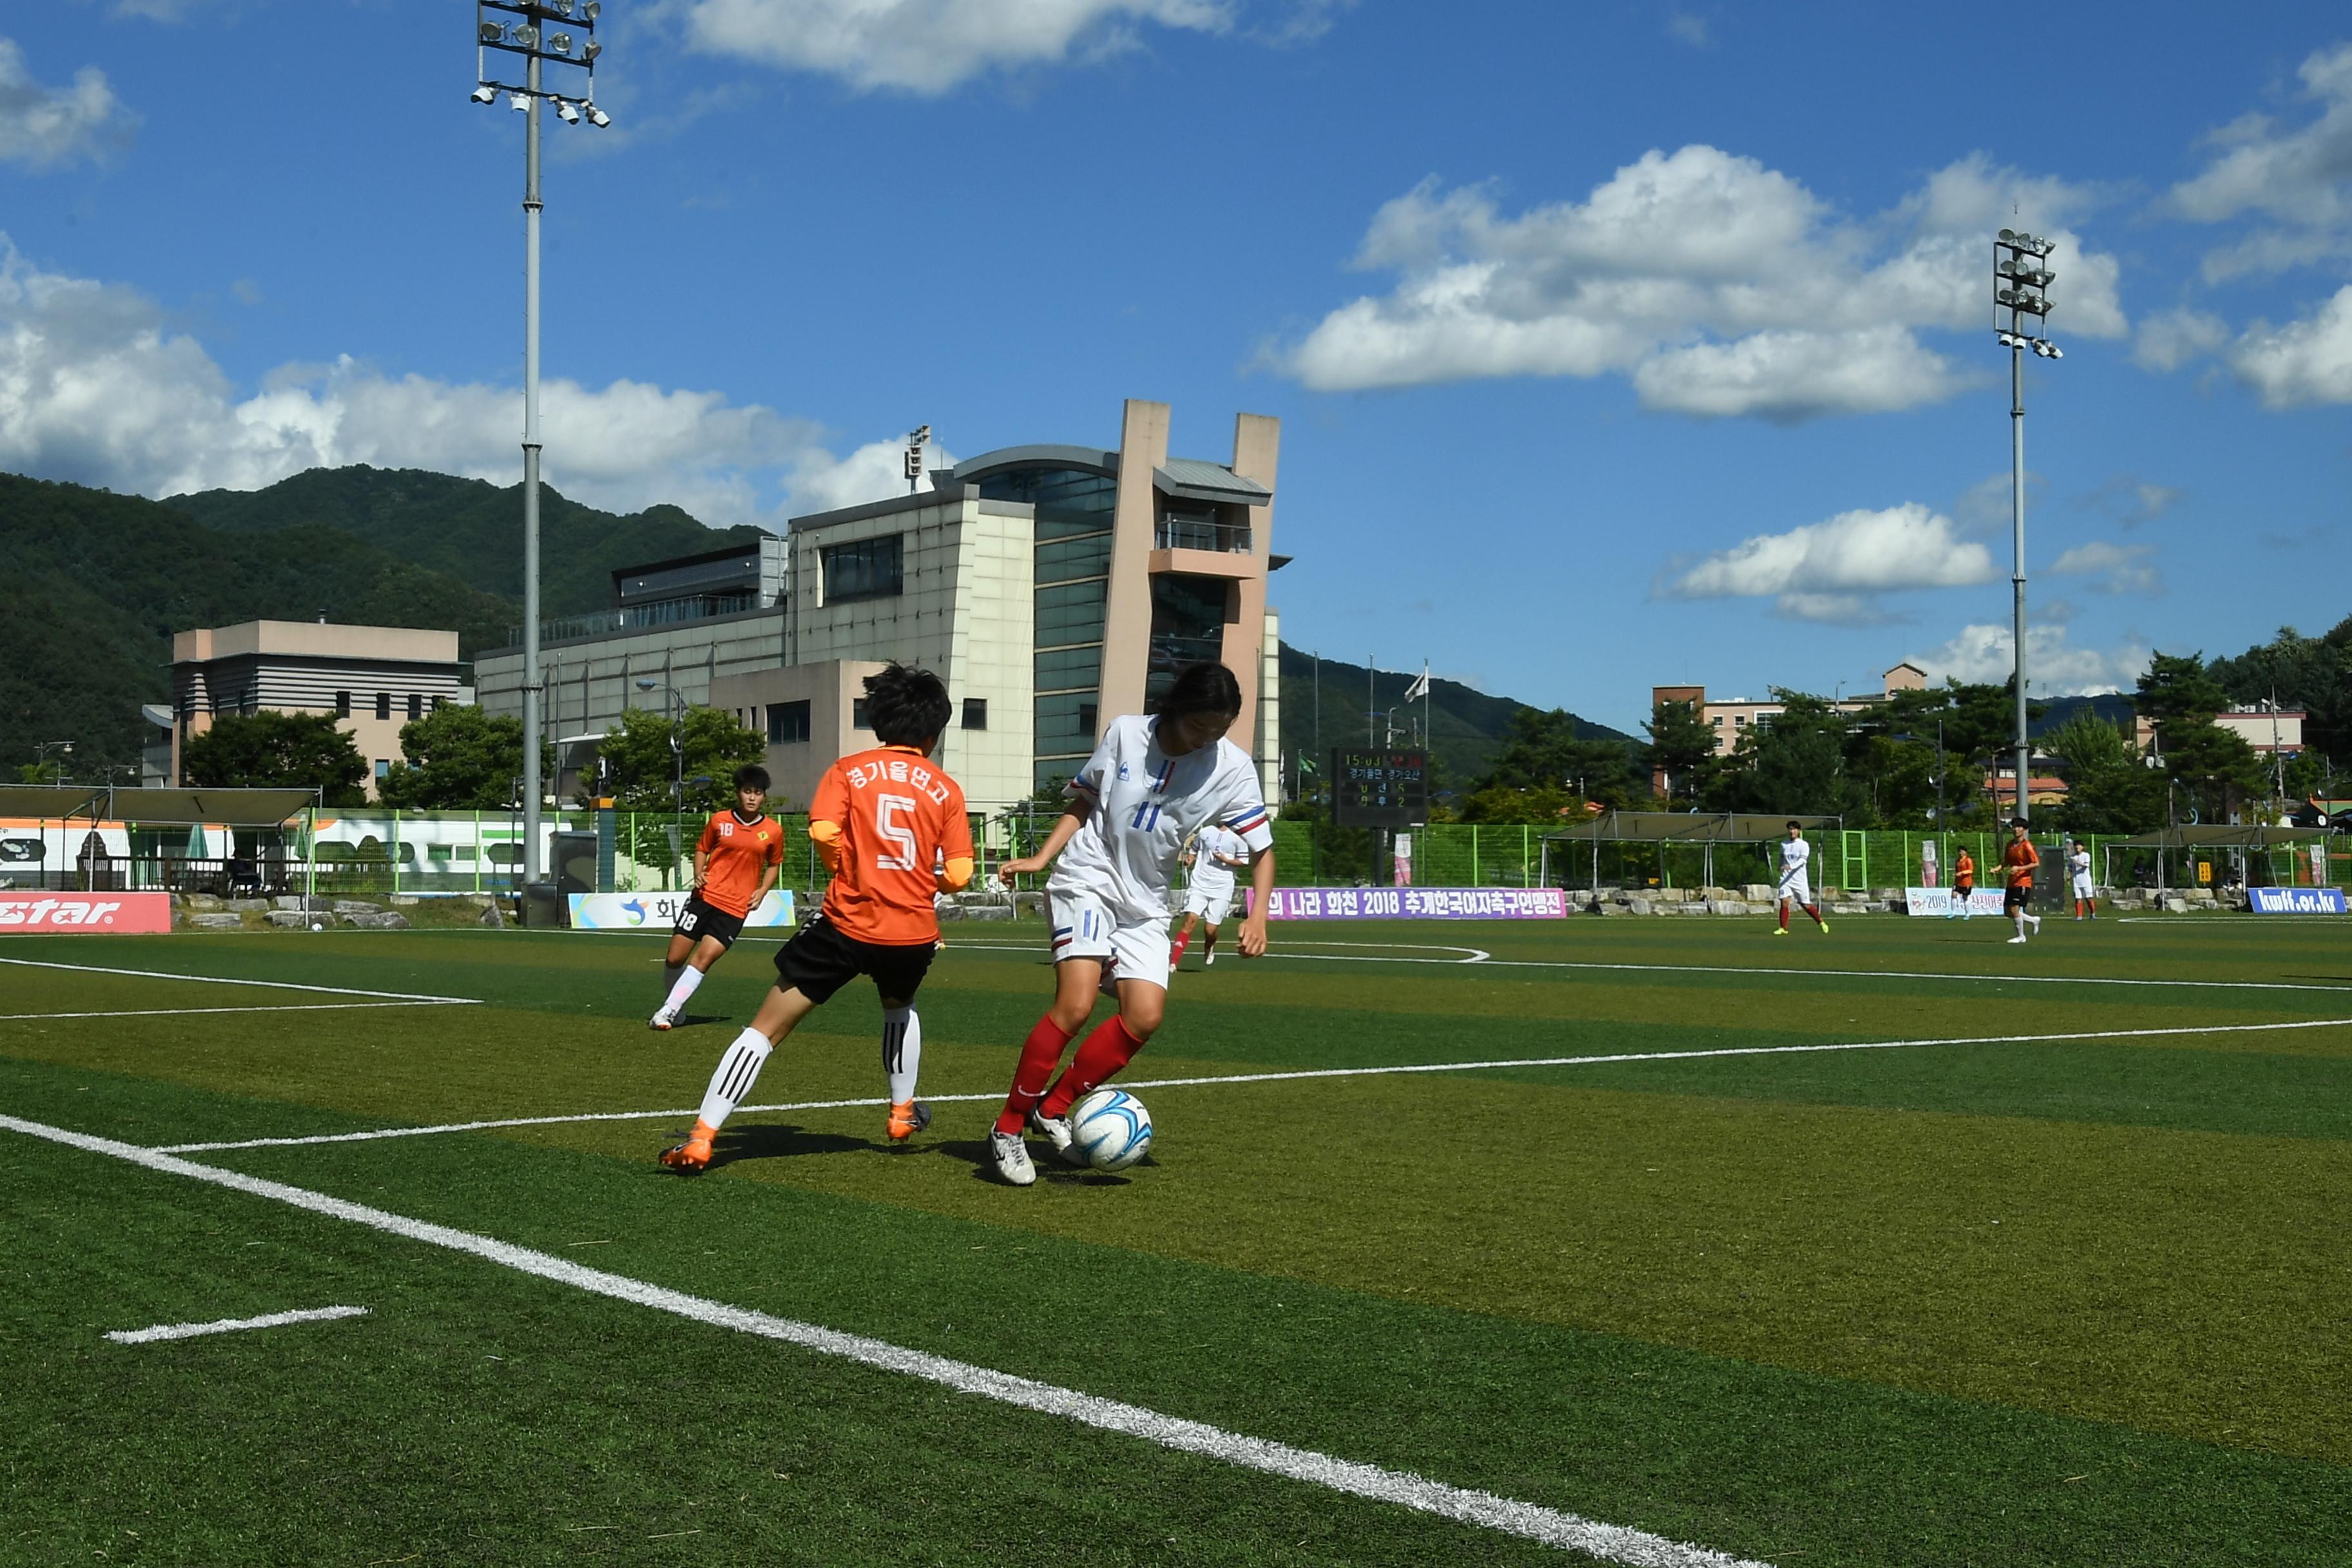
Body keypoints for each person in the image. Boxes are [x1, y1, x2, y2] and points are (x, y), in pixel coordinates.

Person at [660, 664, 972, 1172]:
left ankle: (702, 1136)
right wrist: (919, 881)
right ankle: (900, 1113)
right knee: (899, 1006)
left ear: (877, 723)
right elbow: (959, 873)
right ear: (934, 733)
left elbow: (825, 831)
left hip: (846, 924)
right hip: (912, 932)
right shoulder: (947, 790)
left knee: (764, 1030)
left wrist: (849, 868)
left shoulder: (849, 770)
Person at [986, 662, 1276, 1186]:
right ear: (1175, 709)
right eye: (1199, 727)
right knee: (1074, 1005)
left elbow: (1263, 851)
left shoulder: (1232, 768)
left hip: (1146, 901)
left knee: (1144, 1016)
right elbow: (1085, 800)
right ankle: (1007, 1129)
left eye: (1221, 729)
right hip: (1089, 877)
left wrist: (1257, 914)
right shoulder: (1125, 733)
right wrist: (1041, 858)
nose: (1208, 739)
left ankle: (1052, 1109)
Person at [650, 765, 784, 1030]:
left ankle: (667, 1011)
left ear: (764, 797)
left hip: (735, 908)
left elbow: (775, 863)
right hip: (704, 898)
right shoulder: (719, 821)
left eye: (757, 793)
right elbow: (702, 849)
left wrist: (762, 890)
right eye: (747, 791)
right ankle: (676, 1007)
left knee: (703, 959)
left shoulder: (773, 831)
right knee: (675, 959)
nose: (752, 797)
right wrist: (699, 872)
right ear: (738, 793)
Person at [1169, 822, 1248, 970]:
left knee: (1210, 930)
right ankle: (1173, 962)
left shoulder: (1238, 836)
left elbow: (1243, 861)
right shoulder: (1205, 832)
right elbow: (1194, 848)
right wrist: (1190, 859)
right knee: (1190, 921)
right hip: (1199, 884)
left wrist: (1227, 861)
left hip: (1222, 887)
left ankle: (1209, 946)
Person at [1772, 819, 1828, 936]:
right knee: (1784, 902)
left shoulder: (1803, 845)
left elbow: (1803, 861)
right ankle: (1784, 928)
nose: (1792, 831)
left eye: (1794, 829)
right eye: (1790, 829)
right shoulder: (1784, 844)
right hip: (1786, 879)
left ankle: (1821, 922)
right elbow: (1782, 858)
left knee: (1806, 905)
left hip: (1799, 880)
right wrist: (1780, 866)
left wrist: (1791, 867)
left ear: (1798, 831)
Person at [2001, 819, 2043, 944]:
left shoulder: (2027, 845)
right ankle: (2034, 921)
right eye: (2014, 827)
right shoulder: (2010, 844)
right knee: (2008, 912)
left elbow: (2036, 863)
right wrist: (1998, 868)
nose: (2016, 829)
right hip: (2012, 882)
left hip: (2023, 882)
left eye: (2019, 827)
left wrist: (2019, 868)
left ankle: (2021, 936)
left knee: (2015, 909)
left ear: (2024, 830)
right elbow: (2007, 861)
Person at [2069, 837, 2096, 920]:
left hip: (2086, 881)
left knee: (2088, 898)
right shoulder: (2072, 857)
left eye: (2079, 846)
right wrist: (2068, 877)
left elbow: (2086, 866)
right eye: (2076, 846)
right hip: (2076, 881)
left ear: (2082, 847)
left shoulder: (2086, 855)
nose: (2077, 848)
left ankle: (2093, 913)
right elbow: (2070, 868)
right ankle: (2079, 916)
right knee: (2078, 899)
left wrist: (2077, 862)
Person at [1946, 844, 1976, 921]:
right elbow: (1957, 871)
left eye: (1962, 851)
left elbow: (1970, 870)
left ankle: (1967, 914)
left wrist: (1962, 873)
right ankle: (1953, 913)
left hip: (1966, 883)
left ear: (1965, 852)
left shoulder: (1968, 860)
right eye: (1959, 851)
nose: (1960, 853)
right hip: (1958, 882)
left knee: (1965, 898)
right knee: (1954, 895)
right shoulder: (1958, 861)